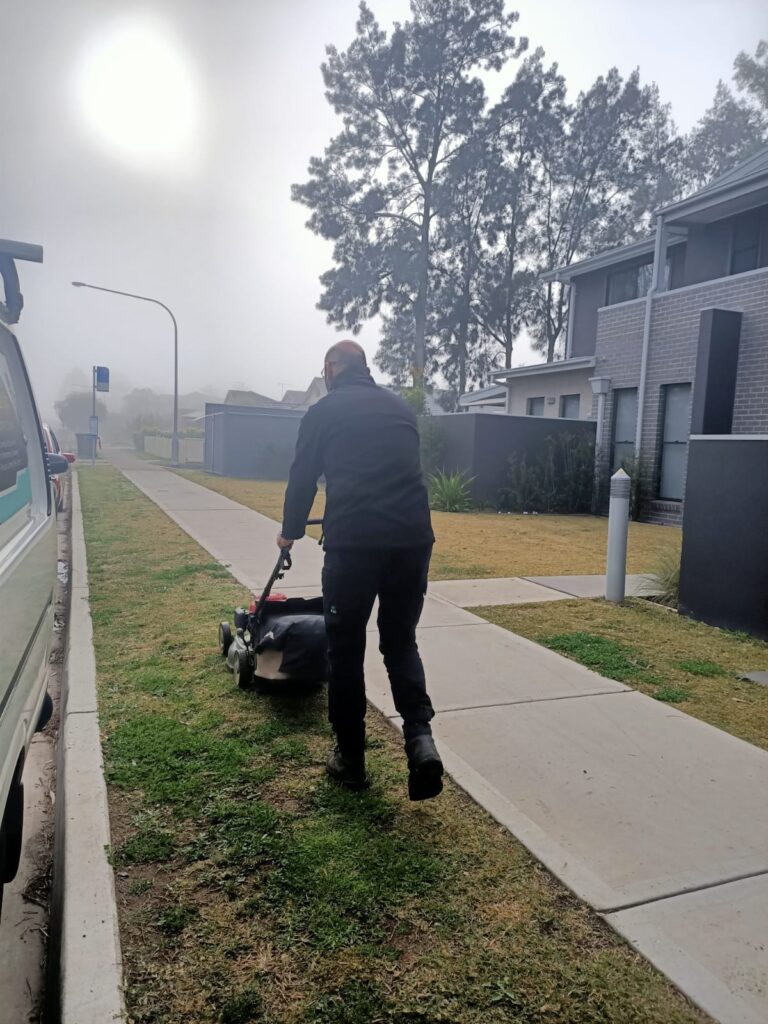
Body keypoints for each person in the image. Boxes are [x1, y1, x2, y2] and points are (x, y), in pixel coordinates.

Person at [277, 341, 443, 800]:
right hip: (412, 542)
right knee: (399, 641)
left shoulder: (323, 413)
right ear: (364, 368)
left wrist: (289, 532)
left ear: (331, 369)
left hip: (355, 547)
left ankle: (351, 758)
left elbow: (303, 476)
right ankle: (420, 740)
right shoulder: (399, 410)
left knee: (346, 650)